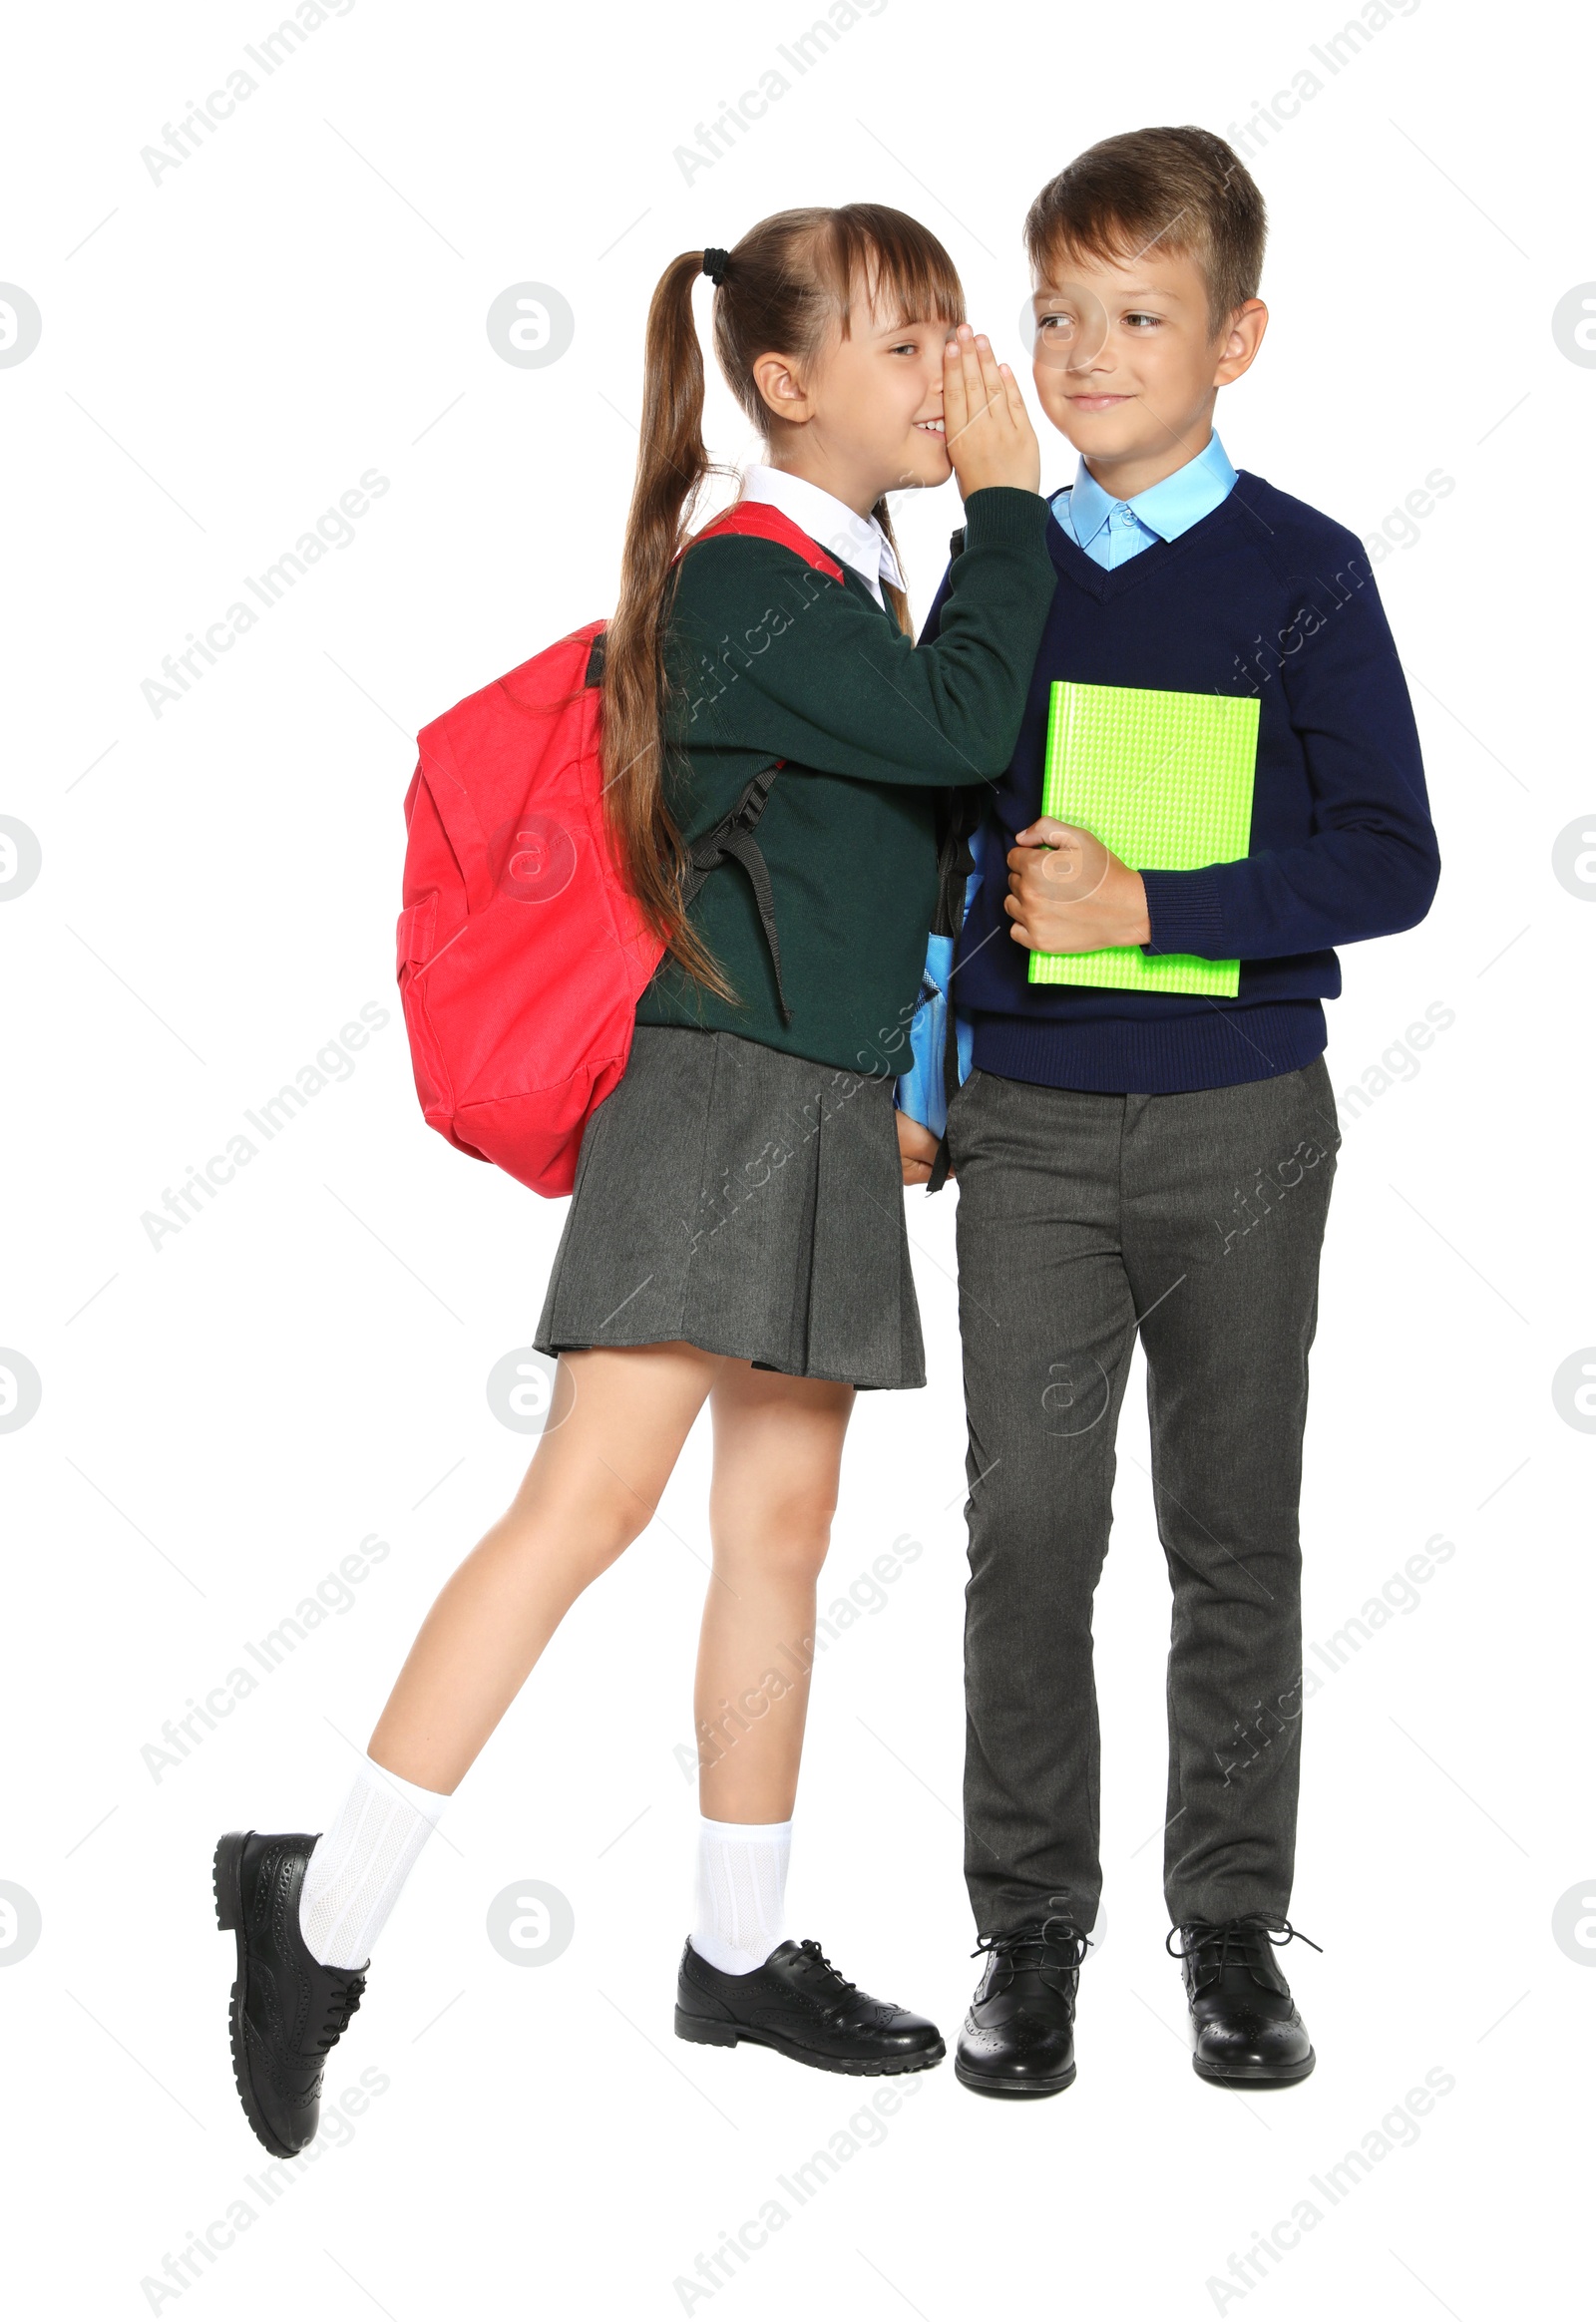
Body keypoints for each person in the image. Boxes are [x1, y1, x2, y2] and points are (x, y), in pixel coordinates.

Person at [214, 202, 1057, 2155]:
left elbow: (889, 855)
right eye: (905, 341)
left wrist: (898, 1082)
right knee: (582, 1506)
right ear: (784, 381)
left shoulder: (842, 591)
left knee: (775, 1533)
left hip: (822, 1107)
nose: (953, 374)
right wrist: (1006, 514)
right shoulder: (748, 585)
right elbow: (967, 725)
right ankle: (313, 1916)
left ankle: (737, 1954)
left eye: (951, 334)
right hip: (710, 1109)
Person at [897, 128, 1441, 2095]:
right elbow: (944, 841)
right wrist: (915, 1072)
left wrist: (1161, 908)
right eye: (1054, 311)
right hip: (1029, 1126)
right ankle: (1025, 1932)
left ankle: (1226, 1930)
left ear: (1236, 337)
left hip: (1237, 1123)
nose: (1085, 348)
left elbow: (1393, 857)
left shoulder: (1304, 573)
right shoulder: (1002, 564)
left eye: (1135, 312)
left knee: (1233, 1537)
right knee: (1025, 1537)